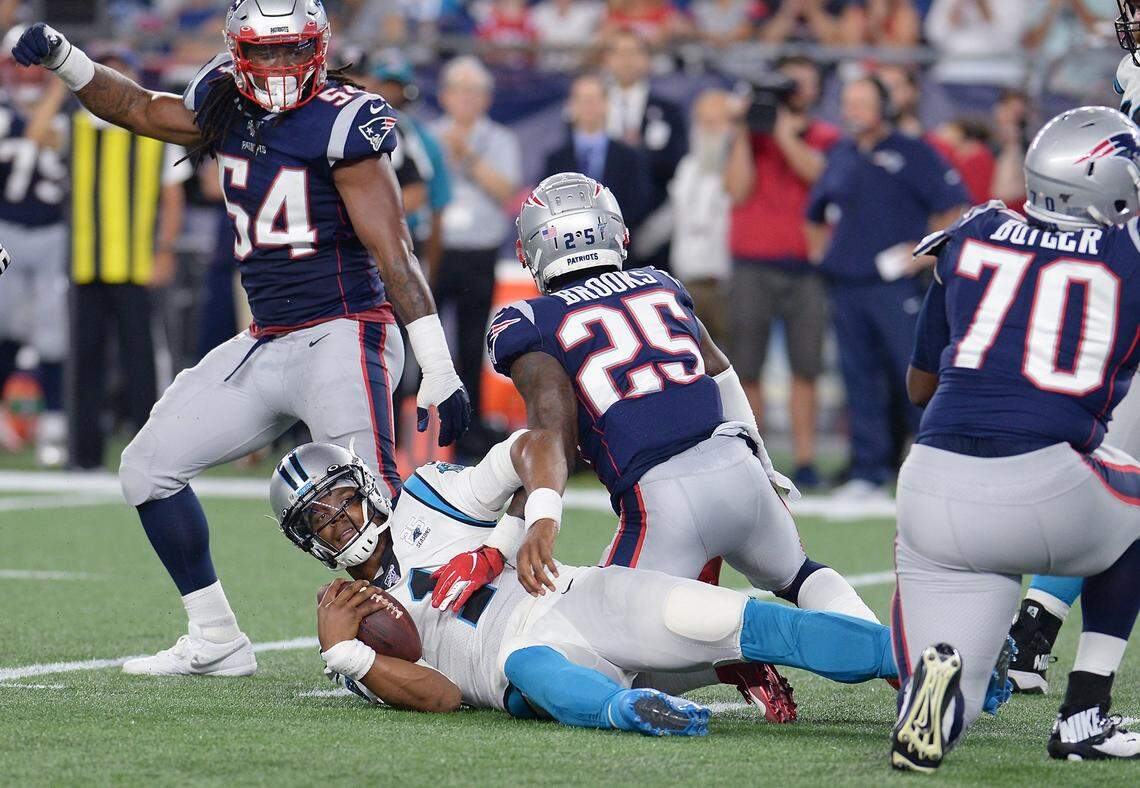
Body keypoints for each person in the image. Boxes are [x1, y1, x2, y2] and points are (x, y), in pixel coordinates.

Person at [11, 1, 470, 676]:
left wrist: (437, 363)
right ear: (238, 53)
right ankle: (216, 635)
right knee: (147, 468)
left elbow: (394, 252)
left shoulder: (346, 119)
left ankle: (436, 649)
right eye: (267, 52)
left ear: (318, 48)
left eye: (293, 51)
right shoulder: (224, 98)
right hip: (266, 338)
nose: (281, 66)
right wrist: (64, 59)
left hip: (344, 332)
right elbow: (140, 109)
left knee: (368, 500)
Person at [486, 171, 880, 722]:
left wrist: (538, 520)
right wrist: (763, 465)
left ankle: (727, 658)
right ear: (614, 233)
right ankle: (896, 654)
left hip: (661, 501)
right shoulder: (659, 282)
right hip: (738, 465)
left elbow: (552, 430)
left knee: (580, 647)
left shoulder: (529, 320)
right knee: (800, 575)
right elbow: (721, 375)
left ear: (534, 251)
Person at [272, 436, 899, 733]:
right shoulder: (349, 620)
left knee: (751, 624)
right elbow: (439, 696)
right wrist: (348, 654)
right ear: (306, 542)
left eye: (343, 502)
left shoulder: (430, 498)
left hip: (576, 596)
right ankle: (640, 712)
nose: (340, 523)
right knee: (535, 670)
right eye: (319, 521)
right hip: (518, 660)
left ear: (368, 488)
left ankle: (914, 660)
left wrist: (502, 544)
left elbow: (537, 445)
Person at [889, 107, 1140, 772]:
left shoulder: (970, 232)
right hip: (1046, 488)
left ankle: (936, 690)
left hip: (929, 490)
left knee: (958, 692)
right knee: (1133, 497)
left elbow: (920, 387)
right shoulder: (1129, 255)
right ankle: (1084, 711)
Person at [805, 76, 968, 499]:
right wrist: (822, 254)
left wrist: (919, 253)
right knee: (857, 378)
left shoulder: (913, 151)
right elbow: (815, 210)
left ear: (883, 107)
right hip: (847, 284)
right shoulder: (839, 152)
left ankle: (934, 462)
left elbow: (953, 205)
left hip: (895, 287)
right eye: (848, 102)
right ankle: (869, 470)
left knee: (911, 372)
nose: (852, 110)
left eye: (862, 102)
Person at [65, 50, 191, 471]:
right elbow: (32, 139)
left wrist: (165, 250)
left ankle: (146, 453)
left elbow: (172, 197)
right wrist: (61, 76)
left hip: (137, 265)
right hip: (87, 264)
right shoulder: (75, 125)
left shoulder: (147, 125)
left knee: (141, 363)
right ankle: (84, 456)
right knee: (85, 363)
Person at [725, 56, 839, 489]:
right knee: (747, 368)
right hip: (752, 264)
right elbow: (737, 190)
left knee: (805, 368)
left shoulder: (825, 136)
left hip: (804, 267)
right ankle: (758, 458)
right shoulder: (749, 138)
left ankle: (806, 460)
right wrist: (743, 131)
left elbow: (818, 177)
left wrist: (779, 131)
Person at [431, 55, 520, 459]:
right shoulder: (428, 135)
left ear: (485, 99)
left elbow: (504, 192)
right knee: (422, 342)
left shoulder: (500, 139)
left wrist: (466, 155)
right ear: (445, 96)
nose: (465, 100)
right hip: (434, 251)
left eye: (474, 92)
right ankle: (405, 435)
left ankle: (467, 434)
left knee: (471, 345)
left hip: (478, 253)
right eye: (459, 91)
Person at [0, 48, 69, 466]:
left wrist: (63, 82)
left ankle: (55, 421)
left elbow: (45, 133)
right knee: (2, 324)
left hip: (52, 233)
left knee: (52, 333)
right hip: (5, 229)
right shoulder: (6, 112)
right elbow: (30, 132)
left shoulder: (66, 109)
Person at [603, 29, 685, 268]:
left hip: (653, 225)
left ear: (647, 60)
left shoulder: (668, 110)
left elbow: (676, 162)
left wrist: (637, 153)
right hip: (602, 227)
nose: (626, 59)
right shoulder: (590, 106)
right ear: (607, 60)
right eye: (619, 52)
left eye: (634, 52)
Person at [667, 88, 735, 347]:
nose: (710, 128)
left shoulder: (739, 167)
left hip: (726, 285)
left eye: (717, 121)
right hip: (686, 284)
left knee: (734, 365)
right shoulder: (687, 167)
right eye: (704, 121)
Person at [543, 72, 651, 232]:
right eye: (582, 100)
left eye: (594, 99)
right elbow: (547, 208)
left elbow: (639, 204)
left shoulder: (629, 157)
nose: (588, 105)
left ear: (606, 104)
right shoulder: (555, 160)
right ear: (571, 106)